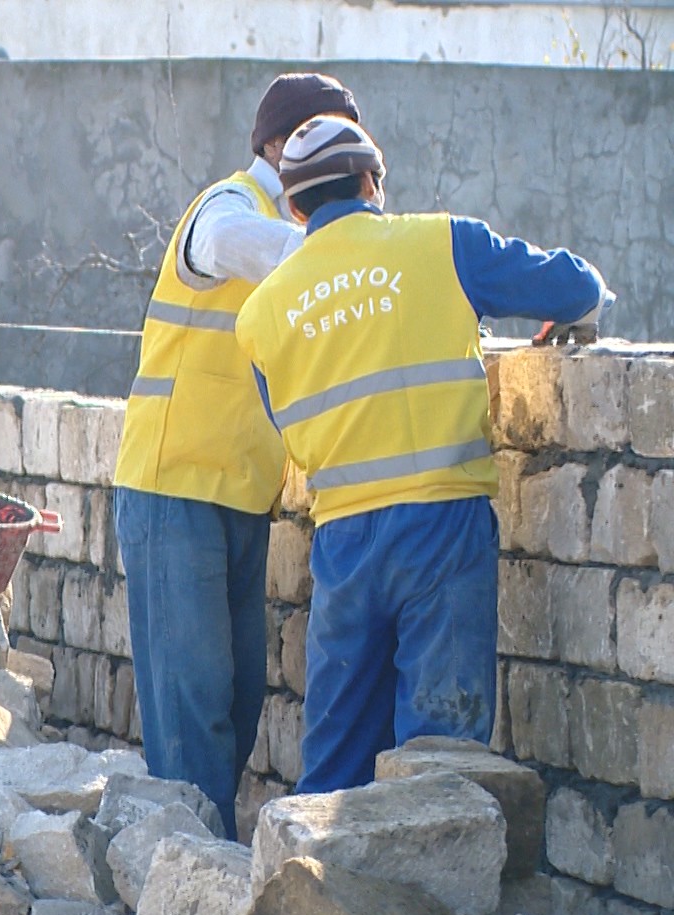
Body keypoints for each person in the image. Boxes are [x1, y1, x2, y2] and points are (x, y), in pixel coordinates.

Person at [236, 116, 610, 793]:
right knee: (440, 758)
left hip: (344, 543)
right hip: (442, 528)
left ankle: (314, 887)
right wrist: (590, 301)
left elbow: (286, 421)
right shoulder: (441, 242)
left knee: (336, 765)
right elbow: (574, 288)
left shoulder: (261, 315)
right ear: (370, 181)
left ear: (294, 206)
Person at [111, 72, 360, 839]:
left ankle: (198, 864)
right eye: (319, 147)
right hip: (173, 485)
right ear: (279, 147)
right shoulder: (229, 207)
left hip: (240, 498)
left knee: (236, 701)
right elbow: (222, 246)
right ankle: (191, 886)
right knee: (193, 708)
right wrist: (332, 251)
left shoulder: (286, 233)